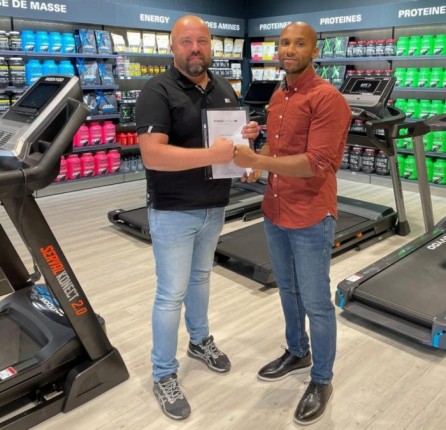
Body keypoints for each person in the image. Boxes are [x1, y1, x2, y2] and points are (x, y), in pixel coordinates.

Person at [135, 15, 259, 421]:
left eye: (202, 41)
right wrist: (213, 155)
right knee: (171, 293)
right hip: (173, 210)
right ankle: (163, 373)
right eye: (186, 41)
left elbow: (229, 146)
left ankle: (200, 340)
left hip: (214, 205)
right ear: (172, 47)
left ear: (211, 46)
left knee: (201, 279)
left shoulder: (223, 88)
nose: (195, 48)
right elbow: (153, 155)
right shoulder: (156, 91)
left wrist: (245, 155)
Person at [233, 21, 352, 425]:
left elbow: (316, 163)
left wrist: (258, 161)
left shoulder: (328, 99)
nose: (289, 49)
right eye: (284, 43)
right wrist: (258, 157)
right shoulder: (279, 93)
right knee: (287, 289)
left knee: (316, 301)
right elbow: (277, 145)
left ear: (314, 51)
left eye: (299, 43)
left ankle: (322, 379)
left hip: (311, 214)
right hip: (275, 209)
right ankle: (297, 351)